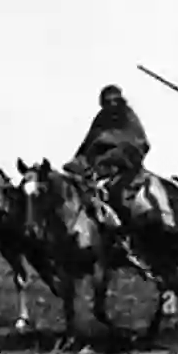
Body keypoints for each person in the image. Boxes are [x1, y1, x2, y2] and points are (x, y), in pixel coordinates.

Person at [64, 84, 152, 260]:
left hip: (124, 163)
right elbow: (89, 142)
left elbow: (138, 141)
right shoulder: (101, 118)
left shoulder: (128, 117)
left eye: (114, 100)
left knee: (120, 196)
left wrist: (111, 148)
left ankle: (125, 238)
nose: (111, 104)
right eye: (107, 101)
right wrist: (78, 161)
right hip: (99, 167)